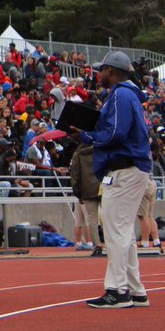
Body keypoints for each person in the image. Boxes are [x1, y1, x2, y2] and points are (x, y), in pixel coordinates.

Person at [70, 51, 153, 309]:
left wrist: (86, 137)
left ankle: (117, 290)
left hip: (125, 168)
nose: (99, 74)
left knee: (117, 231)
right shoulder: (128, 94)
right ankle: (135, 289)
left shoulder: (120, 94)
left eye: (101, 69)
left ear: (111, 71)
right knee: (123, 232)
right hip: (132, 167)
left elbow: (116, 132)